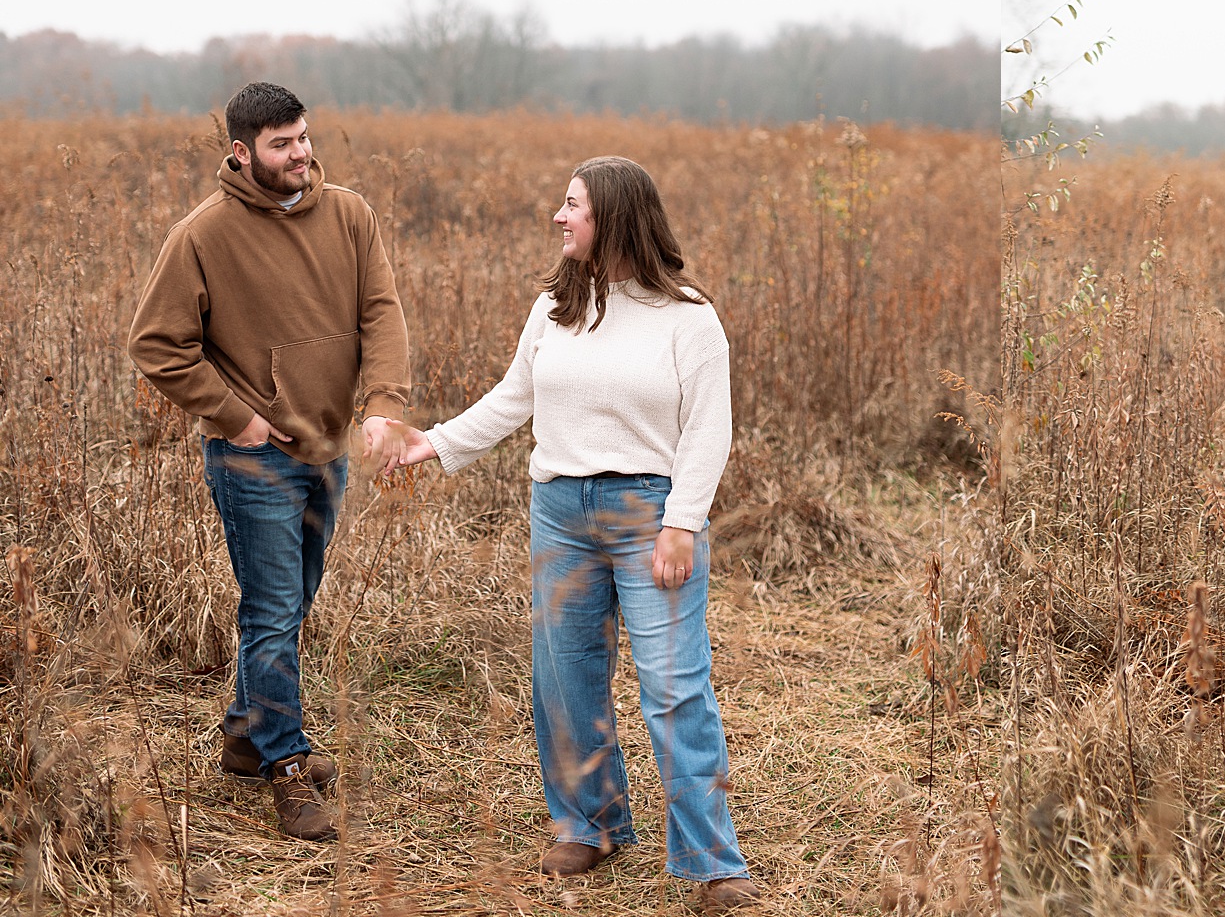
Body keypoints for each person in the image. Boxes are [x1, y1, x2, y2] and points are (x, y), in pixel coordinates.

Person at [365, 155, 757, 908]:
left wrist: (682, 522)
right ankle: (590, 823)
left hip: (649, 512)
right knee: (564, 677)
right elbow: (515, 397)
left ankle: (711, 861)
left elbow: (709, 430)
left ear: (615, 217)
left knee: (674, 687)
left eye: (573, 205)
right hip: (560, 512)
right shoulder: (555, 307)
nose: (558, 216)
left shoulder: (689, 318)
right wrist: (431, 443)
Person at [129, 81, 411, 841]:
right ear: (241, 150)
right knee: (273, 611)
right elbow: (156, 344)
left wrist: (382, 401)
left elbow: (380, 310)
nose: (300, 154)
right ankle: (285, 764)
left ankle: (244, 735)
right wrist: (237, 418)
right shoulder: (202, 236)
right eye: (281, 144)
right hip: (252, 460)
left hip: (328, 446)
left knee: (289, 606)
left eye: (304, 137)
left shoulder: (350, 214)